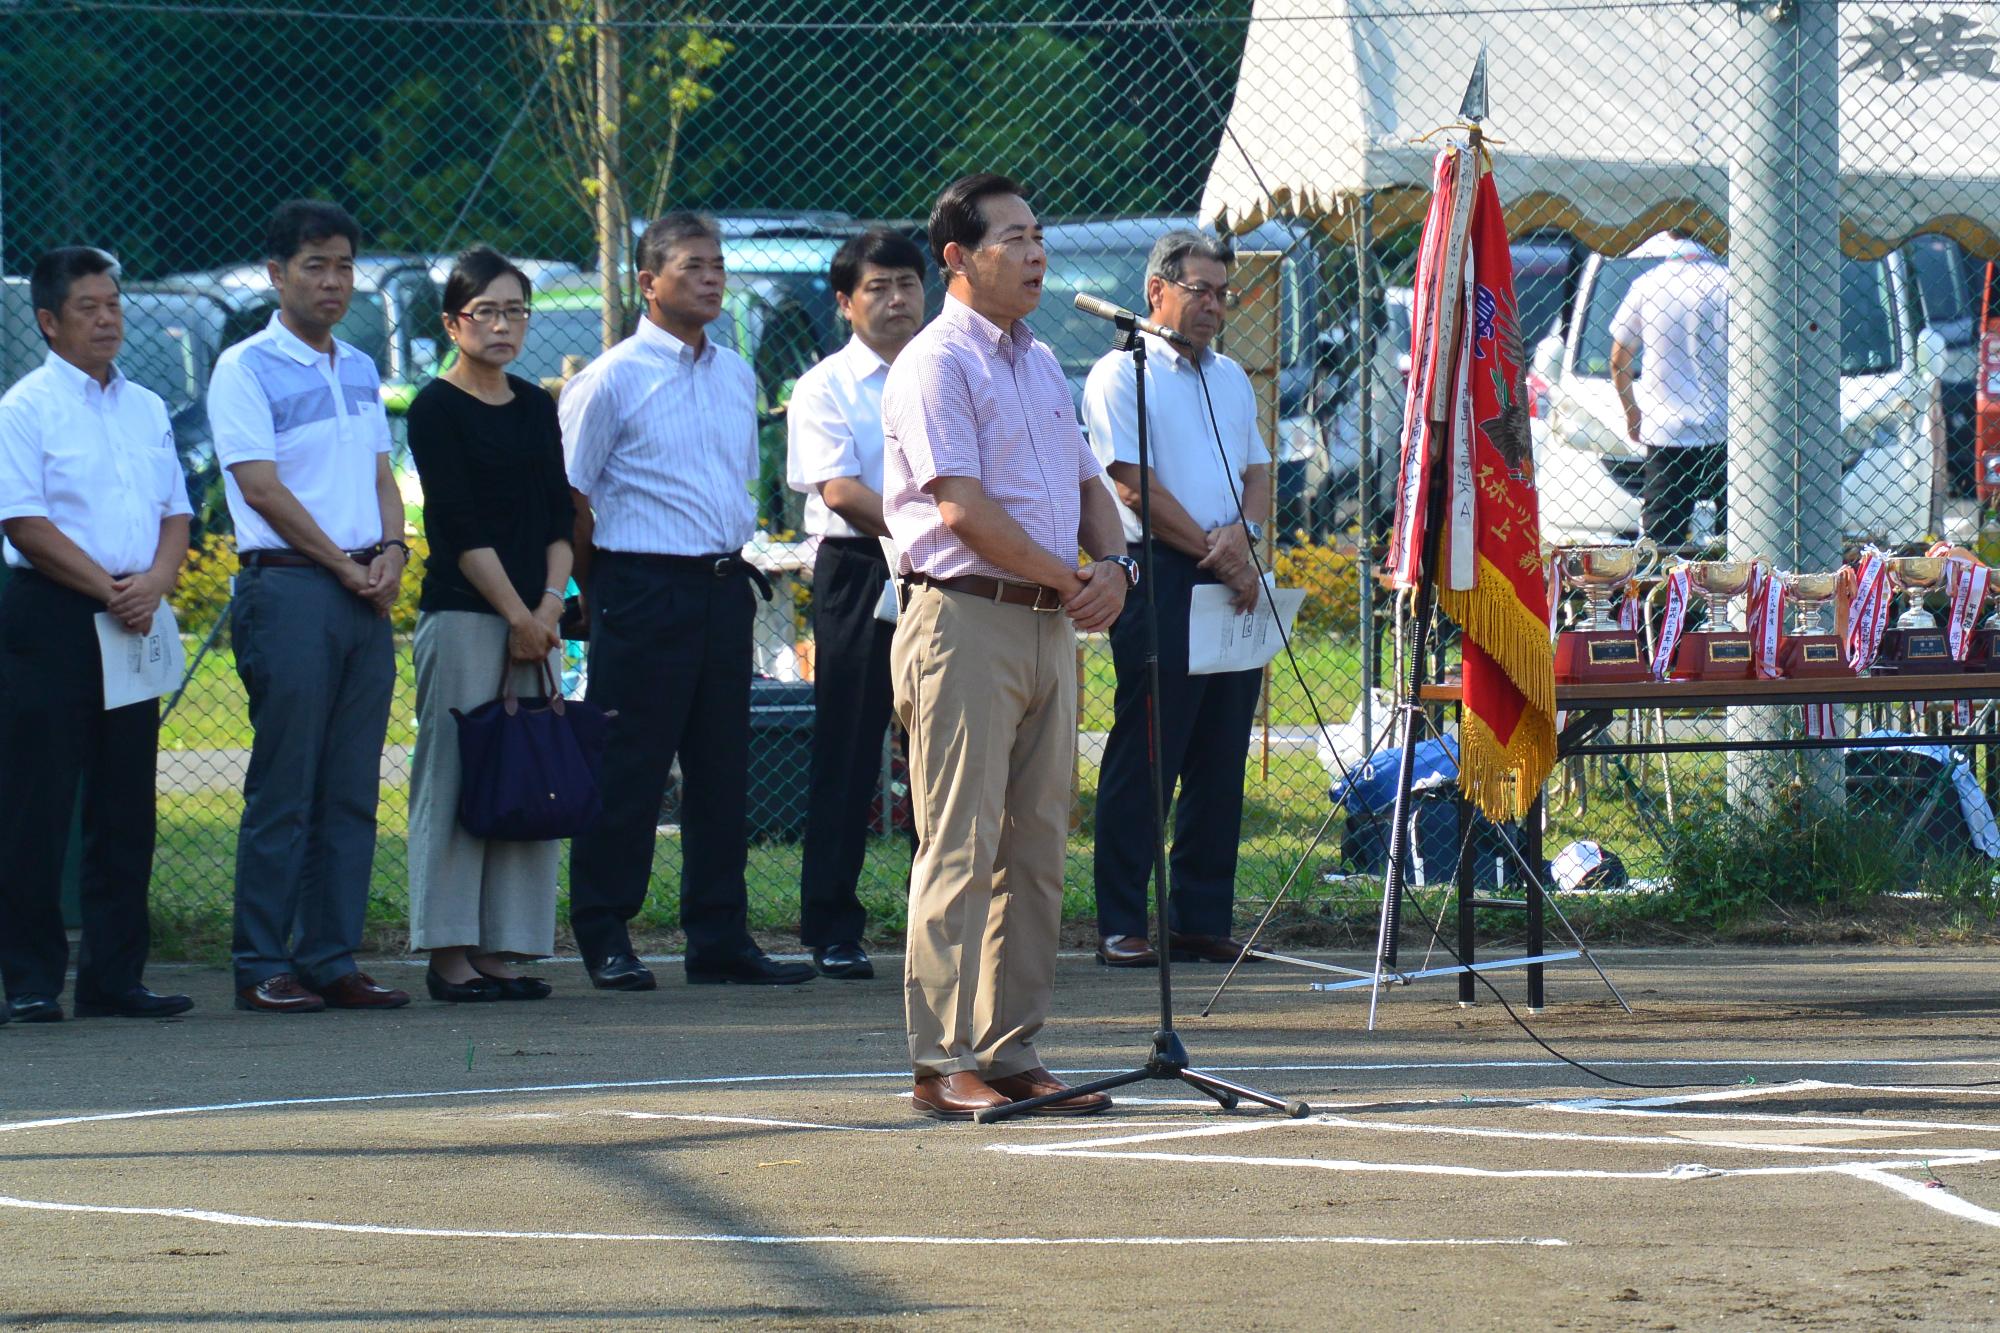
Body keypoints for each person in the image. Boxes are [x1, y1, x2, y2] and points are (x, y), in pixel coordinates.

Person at [882, 173, 1135, 1120]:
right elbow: (964, 510)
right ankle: (938, 1060)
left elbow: (1089, 486)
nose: (1037, 254)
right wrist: (1077, 580)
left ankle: (1012, 1048)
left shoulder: (1037, 362)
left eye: (1040, 235)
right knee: (960, 840)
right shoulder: (936, 361)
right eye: (1014, 238)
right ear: (957, 256)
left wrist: (1116, 565)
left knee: (1036, 847)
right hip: (964, 617)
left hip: (1045, 625)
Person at [561, 211, 814, 990]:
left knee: (721, 767)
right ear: (647, 282)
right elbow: (571, 496)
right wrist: (592, 588)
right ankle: (605, 930)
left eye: (718, 265)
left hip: (720, 584)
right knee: (632, 767)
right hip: (639, 586)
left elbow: (728, 482)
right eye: (693, 266)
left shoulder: (737, 374)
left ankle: (719, 935)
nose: (712, 278)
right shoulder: (611, 378)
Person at [208, 200, 411, 1014]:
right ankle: (261, 959)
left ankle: (330, 956)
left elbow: (381, 478)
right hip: (290, 586)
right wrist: (341, 563)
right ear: (276, 274)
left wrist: (394, 552)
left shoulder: (359, 366)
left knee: (353, 786)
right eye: (315, 265)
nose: (333, 282)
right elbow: (260, 486)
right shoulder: (243, 367)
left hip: (365, 589)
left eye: (344, 266)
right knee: (285, 787)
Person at [0, 246, 194, 1023]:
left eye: (114, 303)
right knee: (36, 803)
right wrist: (111, 589)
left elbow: (176, 511)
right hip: (51, 615)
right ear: (49, 321)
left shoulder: (146, 406)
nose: (109, 317)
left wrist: (153, 583)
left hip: (134, 615)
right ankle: (30, 978)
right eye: (89, 306)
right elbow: (22, 519)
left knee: (126, 805)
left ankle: (115, 977)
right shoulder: (24, 408)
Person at [1084, 228, 1271, 970]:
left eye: (1224, 293)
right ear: (1156, 290)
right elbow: (1128, 481)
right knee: (1151, 750)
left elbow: (1259, 467)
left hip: (1233, 569)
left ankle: (1200, 916)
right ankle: (1123, 920)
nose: (1215, 306)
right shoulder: (1118, 372)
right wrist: (1214, 549)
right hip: (1161, 569)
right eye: (1200, 290)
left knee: (1221, 752)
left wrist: (1246, 537)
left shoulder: (1229, 376)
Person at [404, 247, 572, 1004]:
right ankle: (449, 952)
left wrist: (548, 606)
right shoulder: (435, 408)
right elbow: (457, 527)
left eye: (515, 312)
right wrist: (515, 613)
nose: (503, 326)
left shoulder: (537, 405)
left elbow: (557, 518)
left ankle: (505, 946)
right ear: (453, 322)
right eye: (486, 313)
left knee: (526, 775)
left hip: (536, 614)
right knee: (459, 776)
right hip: (468, 614)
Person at [786, 229, 928, 981]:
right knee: (849, 749)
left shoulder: (948, 372)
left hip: (943, 565)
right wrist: (929, 528)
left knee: (940, 753)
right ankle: (832, 925)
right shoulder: (826, 386)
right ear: (845, 303)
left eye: (907, 282)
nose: (897, 298)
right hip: (860, 565)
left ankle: (938, 919)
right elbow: (837, 489)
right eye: (878, 287)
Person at [1609, 231, 1730, 547]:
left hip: (1668, 431)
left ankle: (1665, 592)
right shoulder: (1730, 283)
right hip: (1728, 427)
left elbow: (1618, 360)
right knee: (1739, 534)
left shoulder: (1649, 285)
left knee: (1661, 541)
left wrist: (1632, 412)